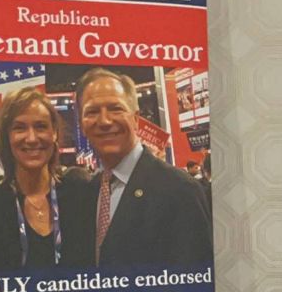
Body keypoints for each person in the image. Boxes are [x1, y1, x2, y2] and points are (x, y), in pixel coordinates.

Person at [0, 87, 95, 272]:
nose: (32, 138)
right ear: (6, 137)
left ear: (55, 133)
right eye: (19, 128)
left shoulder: (80, 193)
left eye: (41, 126)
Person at [77, 68, 213, 267]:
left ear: (136, 118)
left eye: (116, 109)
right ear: (81, 124)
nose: (104, 121)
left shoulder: (181, 190)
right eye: (92, 111)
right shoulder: (89, 192)